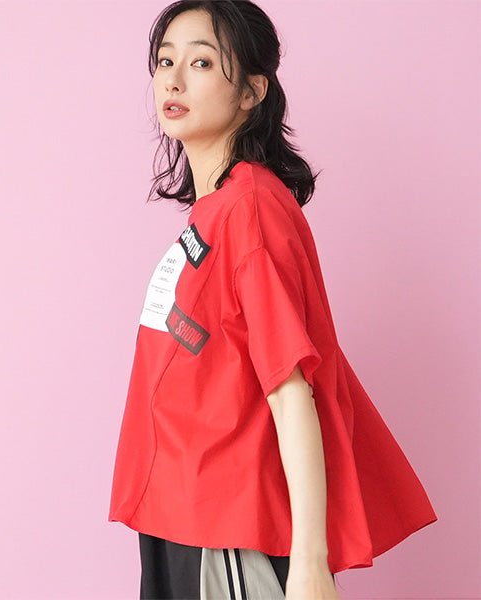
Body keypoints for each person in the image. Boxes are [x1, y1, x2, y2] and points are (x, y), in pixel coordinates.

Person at [108, 1, 438, 599]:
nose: (173, 80)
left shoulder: (250, 209)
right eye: (165, 61)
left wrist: (310, 563)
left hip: (226, 522)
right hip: (179, 514)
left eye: (201, 62)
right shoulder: (217, 211)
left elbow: (290, 389)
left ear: (251, 91)